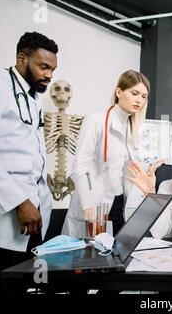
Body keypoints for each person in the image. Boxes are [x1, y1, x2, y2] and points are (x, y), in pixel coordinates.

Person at [0, 32, 58, 294]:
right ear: (22, 58)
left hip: (35, 209)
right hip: (10, 210)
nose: (49, 76)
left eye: (52, 69)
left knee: (23, 285)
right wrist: (20, 202)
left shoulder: (34, 97)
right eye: (44, 67)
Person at [62, 70, 153, 238]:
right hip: (94, 203)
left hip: (118, 203)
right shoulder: (96, 120)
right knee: (89, 258)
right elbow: (78, 168)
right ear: (119, 92)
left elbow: (126, 169)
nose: (139, 100)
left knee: (117, 257)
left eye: (143, 96)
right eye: (134, 93)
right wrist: (87, 204)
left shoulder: (132, 128)